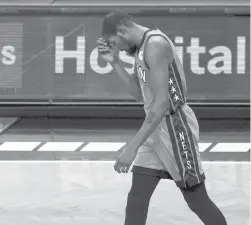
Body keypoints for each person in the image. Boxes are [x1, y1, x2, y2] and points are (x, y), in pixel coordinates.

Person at [97, 10, 228, 225]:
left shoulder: (155, 44)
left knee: (197, 200)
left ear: (121, 31)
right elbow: (140, 95)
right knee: (138, 196)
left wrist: (131, 147)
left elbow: (161, 104)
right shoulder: (140, 49)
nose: (118, 47)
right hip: (155, 127)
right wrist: (115, 62)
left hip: (175, 128)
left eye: (115, 42)